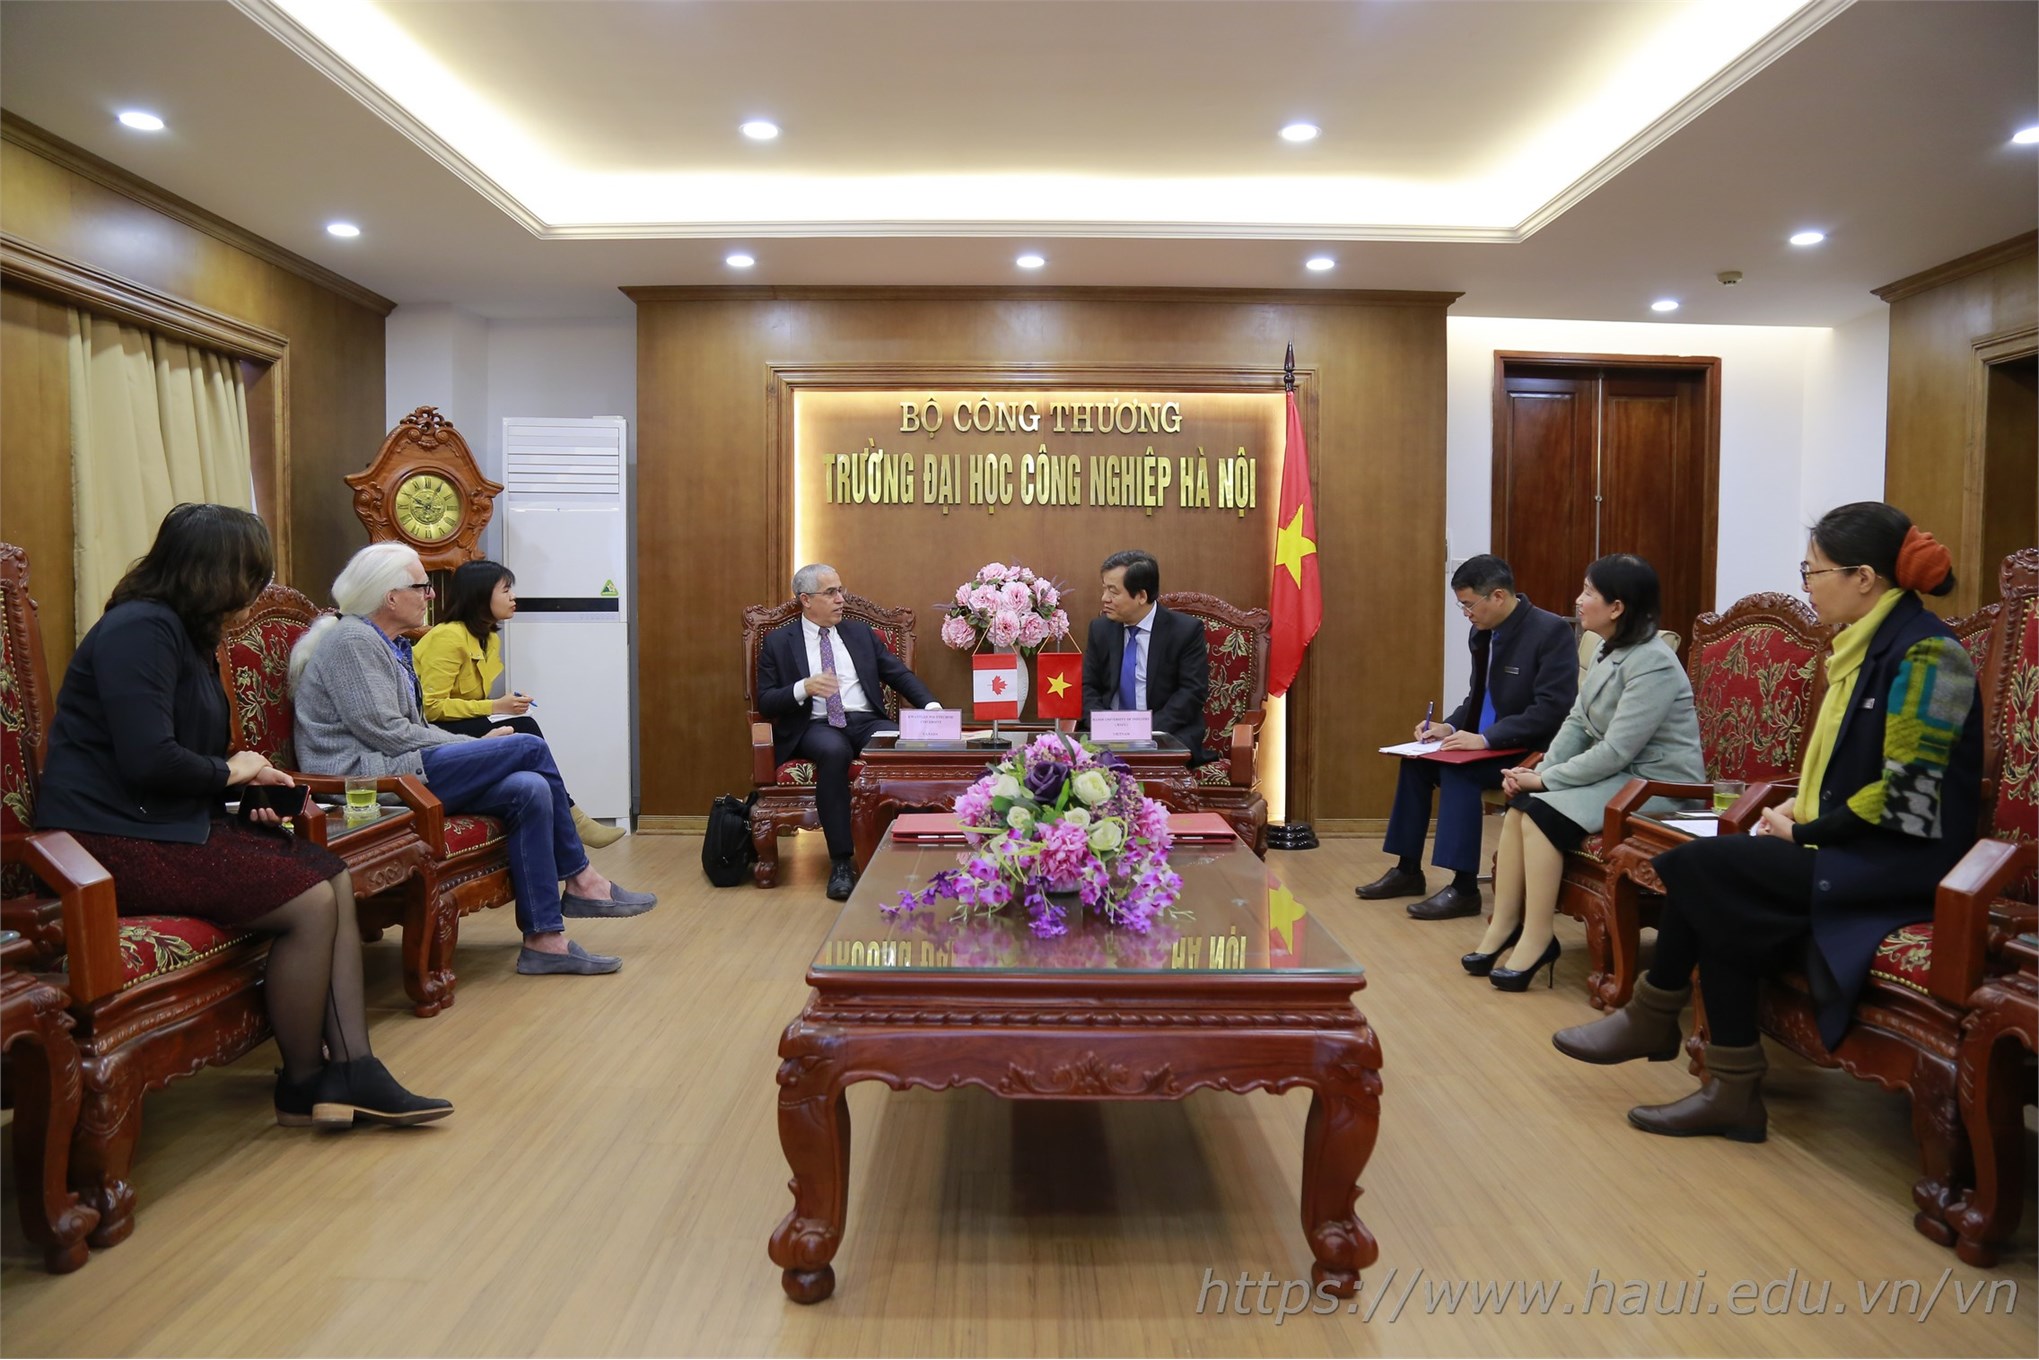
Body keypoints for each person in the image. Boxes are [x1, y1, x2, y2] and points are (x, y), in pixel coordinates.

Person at [1553, 505, 1982, 1142]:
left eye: (1814, 571)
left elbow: (1908, 796)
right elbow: (1839, 775)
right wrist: (1795, 809)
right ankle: (1728, 1091)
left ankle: (1658, 1015)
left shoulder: (1930, 658)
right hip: (1850, 846)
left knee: (1700, 867)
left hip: (1899, 863)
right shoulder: (1861, 648)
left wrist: (1807, 831)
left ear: (1864, 577)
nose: (1807, 585)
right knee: (1719, 897)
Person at [34, 504, 450, 1128]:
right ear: (215, 571)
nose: (255, 589)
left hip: (160, 821)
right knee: (310, 901)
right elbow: (148, 759)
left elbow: (192, 753)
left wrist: (248, 789)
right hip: (106, 837)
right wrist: (235, 772)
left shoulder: (185, 632)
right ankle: (305, 1080)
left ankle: (352, 1067)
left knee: (329, 871)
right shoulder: (139, 630)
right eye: (251, 572)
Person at [290, 543, 656, 977]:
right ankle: (581, 878)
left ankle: (545, 941)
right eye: (421, 587)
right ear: (390, 597)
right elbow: (386, 734)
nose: (430, 595)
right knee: (527, 745)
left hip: (401, 765)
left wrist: (476, 743)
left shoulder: (383, 642)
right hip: (369, 780)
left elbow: (405, 728)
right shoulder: (352, 641)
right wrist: (469, 745)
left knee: (530, 788)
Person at [1465, 554, 1705, 991]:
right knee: (1522, 806)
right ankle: (1505, 925)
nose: (1579, 600)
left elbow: (1616, 750)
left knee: (1539, 812)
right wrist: (1535, 772)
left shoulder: (1652, 662)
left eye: (1590, 592)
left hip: (1653, 787)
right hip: (1618, 776)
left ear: (1617, 607)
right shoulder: (1607, 650)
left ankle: (1539, 938)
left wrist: (1548, 780)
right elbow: (1576, 723)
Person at [1356, 554, 1578, 919]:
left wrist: (1487, 739)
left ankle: (1463, 888)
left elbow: (1551, 709)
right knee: (1417, 764)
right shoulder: (1483, 632)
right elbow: (1478, 695)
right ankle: (1407, 870)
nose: (1466, 614)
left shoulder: (1550, 632)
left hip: (1529, 751)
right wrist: (1448, 727)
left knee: (1459, 771)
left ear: (1499, 597)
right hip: (1487, 743)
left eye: (1469, 604)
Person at [756, 562, 941, 901]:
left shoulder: (859, 634)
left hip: (866, 720)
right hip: (815, 724)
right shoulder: (779, 642)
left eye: (841, 590)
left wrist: (931, 707)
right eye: (831, 593)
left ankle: (918, 851)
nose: (841, 599)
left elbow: (898, 675)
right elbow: (766, 701)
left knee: (908, 744)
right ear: (806, 599)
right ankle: (842, 862)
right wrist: (804, 687)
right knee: (834, 751)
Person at [413, 559, 625, 849]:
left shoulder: (488, 638)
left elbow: (470, 701)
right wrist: (496, 707)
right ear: (480, 594)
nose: (513, 597)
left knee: (521, 732)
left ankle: (565, 819)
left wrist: (500, 706)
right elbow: (432, 708)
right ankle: (573, 818)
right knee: (523, 727)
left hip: (460, 722)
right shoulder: (448, 637)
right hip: (433, 731)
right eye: (506, 590)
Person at [1079, 550, 1211, 761]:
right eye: (1104, 589)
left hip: (1165, 734)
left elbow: (1191, 692)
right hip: (1106, 737)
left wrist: (1144, 731)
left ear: (1141, 596)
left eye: (1113, 591)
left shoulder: (1185, 631)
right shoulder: (1100, 629)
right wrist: (1102, 726)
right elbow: (1088, 687)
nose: (1104, 598)